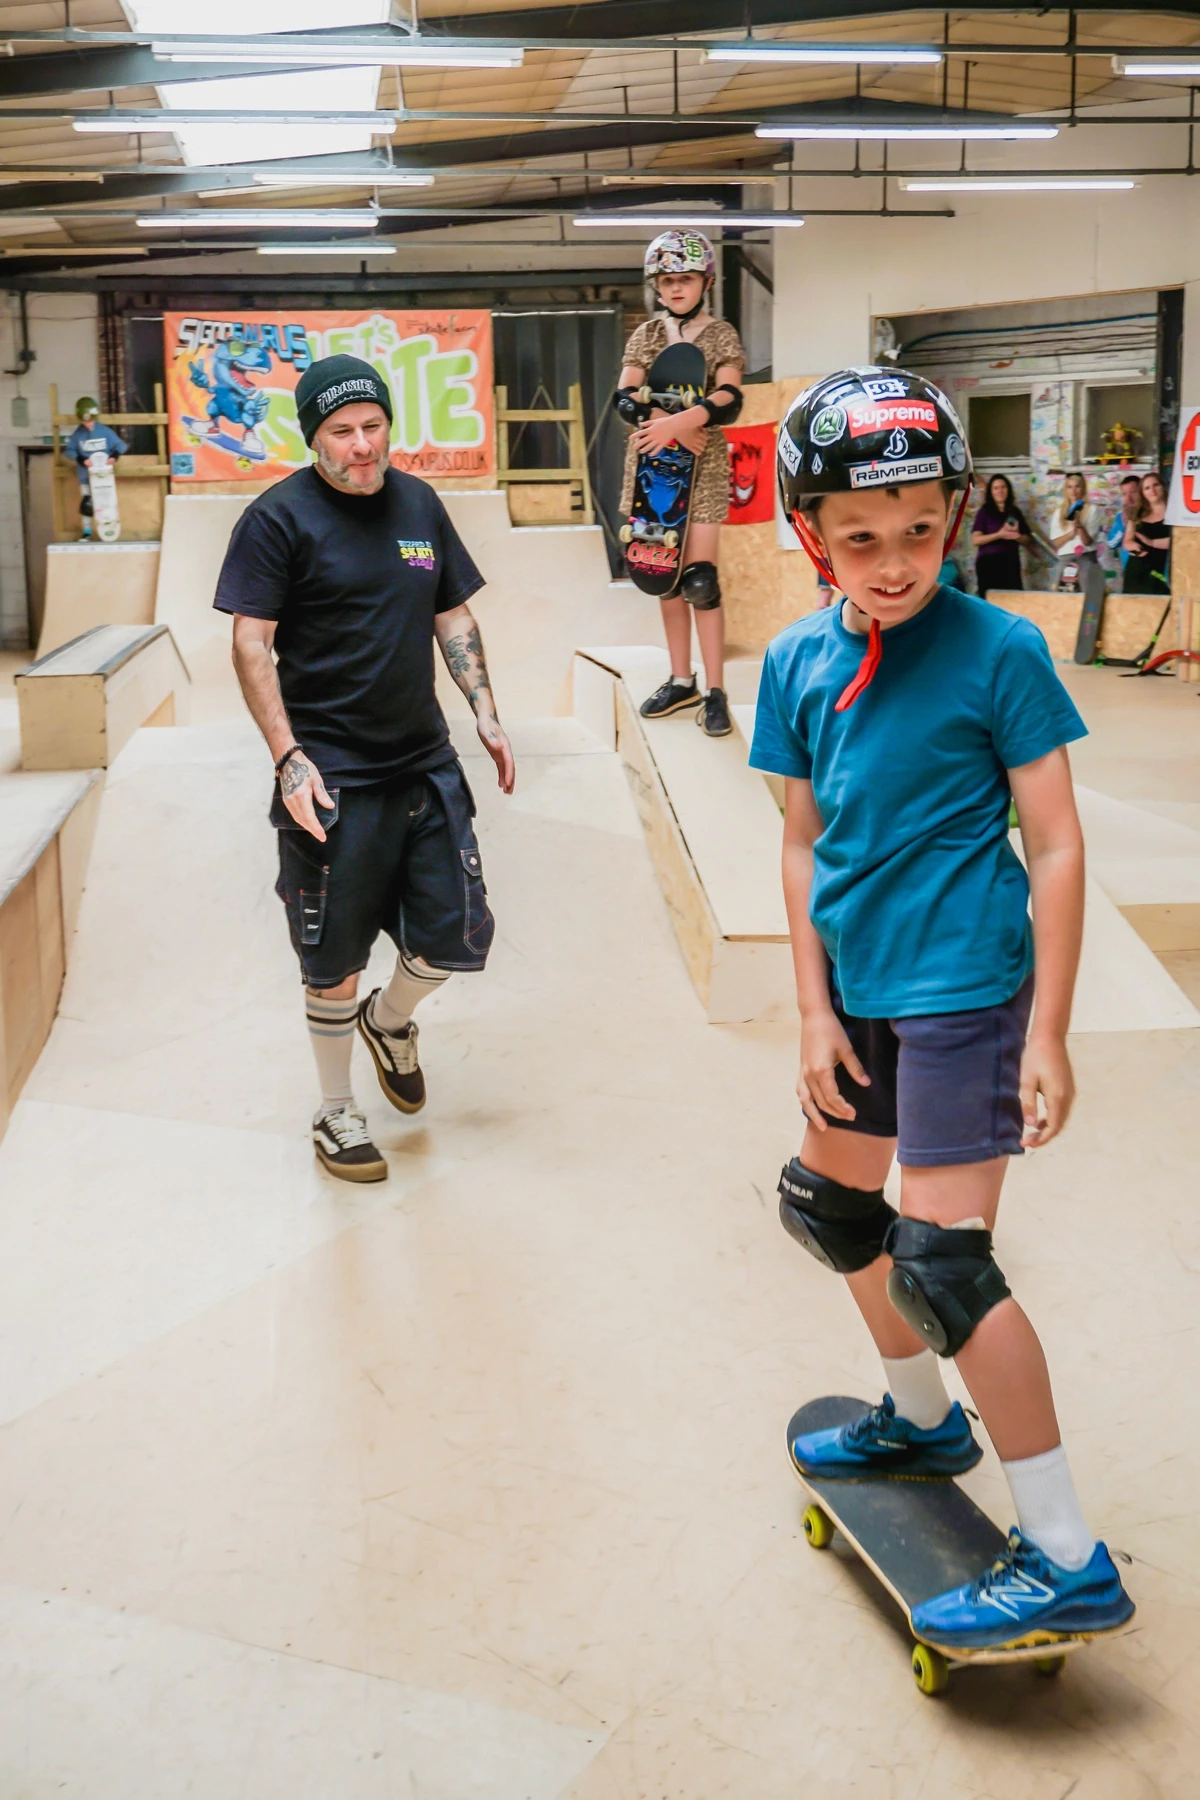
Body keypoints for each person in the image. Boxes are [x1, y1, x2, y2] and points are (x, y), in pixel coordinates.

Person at [751, 366, 1134, 1654]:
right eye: (862, 539)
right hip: (855, 992)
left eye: (922, 530)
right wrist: (809, 1011)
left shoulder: (1000, 650)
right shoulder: (800, 658)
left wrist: (1051, 1033)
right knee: (830, 1207)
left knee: (945, 1266)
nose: (897, 560)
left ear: (959, 510)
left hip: (968, 992)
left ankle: (1068, 1554)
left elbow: (1061, 843)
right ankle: (921, 1425)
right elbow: (801, 846)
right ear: (811, 532)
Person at [216, 354, 515, 1184]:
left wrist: (484, 708)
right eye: (342, 432)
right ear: (314, 437)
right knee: (332, 956)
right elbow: (250, 644)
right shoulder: (277, 520)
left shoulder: (418, 502)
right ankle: (335, 1110)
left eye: (373, 426)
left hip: (423, 764)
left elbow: (450, 612)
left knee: (457, 936)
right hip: (331, 775)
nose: (361, 445)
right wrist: (286, 759)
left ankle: (393, 1020)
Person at [614, 229, 746, 737]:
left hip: (704, 467)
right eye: (666, 281)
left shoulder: (721, 335)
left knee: (700, 581)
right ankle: (680, 679)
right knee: (661, 573)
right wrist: (668, 426)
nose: (675, 289)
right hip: (652, 461)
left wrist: (686, 421)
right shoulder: (646, 335)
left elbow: (730, 398)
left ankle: (715, 690)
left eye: (684, 280)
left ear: (704, 281)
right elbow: (625, 399)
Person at [64, 396, 127, 540]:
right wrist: (81, 459)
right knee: (87, 503)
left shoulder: (104, 432)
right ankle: (87, 531)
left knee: (107, 501)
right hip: (86, 476)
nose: (88, 424)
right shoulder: (78, 435)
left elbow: (120, 445)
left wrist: (114, 456)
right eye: (85, 421)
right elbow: (69, 450)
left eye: (91, 420)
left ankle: (110, 528)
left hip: (104, 476)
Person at [969, 473, 1031, 599]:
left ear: (1008, 490)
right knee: (991, 603)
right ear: (991, 492)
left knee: (1013, 601)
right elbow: (976, 540)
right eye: (996, 488)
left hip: (1010, 563)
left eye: (1003, 487)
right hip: (989, 564)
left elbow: (1028, 540)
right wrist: (1000, 534)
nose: (1000, 491)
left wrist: (1016, 536)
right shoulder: (985, 511)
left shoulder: (1014, 511)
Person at [1122, 469, 1172, 595]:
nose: (1152, 491)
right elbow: (1127, 541)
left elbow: (1178, 541)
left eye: (1156, 485)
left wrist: (1152, 542)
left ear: (1163, 486)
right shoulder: (1137, 514)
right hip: (1136, 570)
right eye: (1147, 488)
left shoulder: (1174, 513)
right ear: (1143, 493)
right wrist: (1133, 546)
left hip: (1160, 572)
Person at [1048, 472, 1101, 589]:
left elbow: (1088, 542)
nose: (1073, 491)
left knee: (1088, 595)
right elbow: (1055, 543)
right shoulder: (1059, 512)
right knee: (1059, 595)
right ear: (1066, 490)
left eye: (1077, 486)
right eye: (1069, 487)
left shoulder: (1092, 510)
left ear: (1083, 489)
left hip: (1086, 557)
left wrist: (1080, 527)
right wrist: (1071, 534)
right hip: (1064, 559)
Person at [1104, 473, 1143, 579]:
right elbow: (1112, 543)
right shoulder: (1120, 517)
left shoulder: (1151, 514)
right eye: (1124, 494)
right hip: (1129, 570)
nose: (1129, 498)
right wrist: (1123, 524)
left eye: (1133, 492)